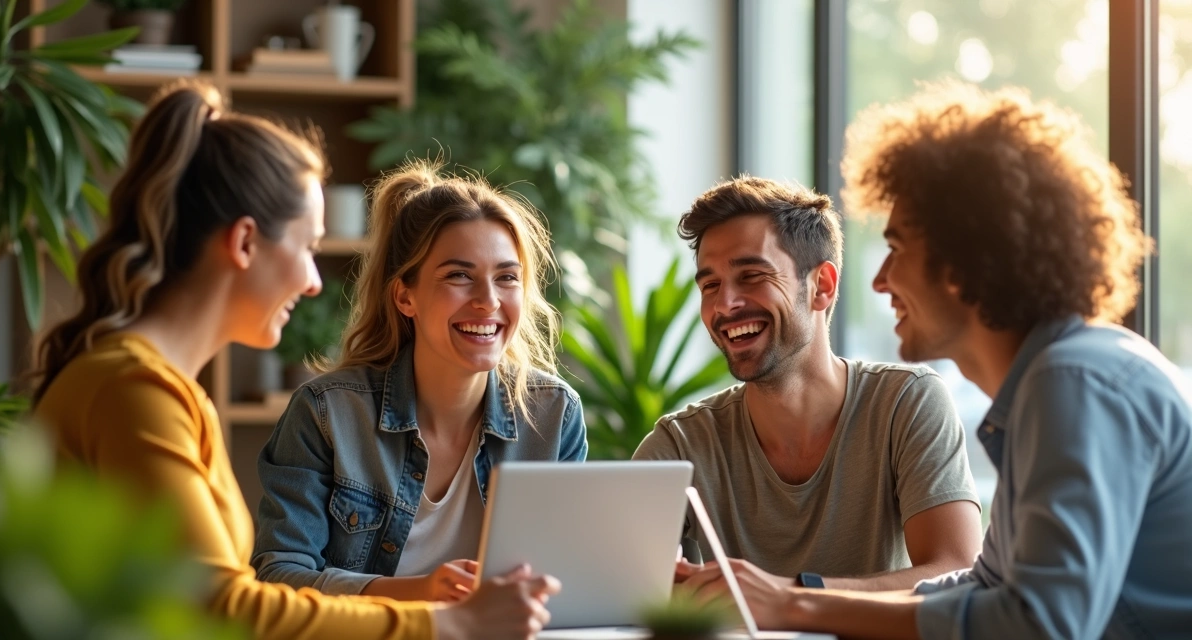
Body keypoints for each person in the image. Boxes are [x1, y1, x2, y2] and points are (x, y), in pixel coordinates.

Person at [32, 81, 560, 640]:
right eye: (307, 247)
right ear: (244, 243)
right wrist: (446, 622)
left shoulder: (161, 389)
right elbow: (225, 607)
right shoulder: (135, 390)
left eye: (507, 277)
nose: (313, 282)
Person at [682, 82, 1192, 639]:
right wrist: (785, 597)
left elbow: (1038, 625)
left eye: (897, 249)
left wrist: (794, 604)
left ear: (965, 258)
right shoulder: (1053, 383)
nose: (880, 280)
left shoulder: (1073, 382)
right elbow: (984, 586)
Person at [250, 160, 588, 603]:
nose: (488, 301)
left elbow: (569, 578)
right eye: (459, 276)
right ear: (405, 296)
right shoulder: (327, 414)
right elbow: (278, 578)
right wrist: (420, 594)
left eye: (506, 277)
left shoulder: (554, 414)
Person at [634, 176, 982, 591]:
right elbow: (616, 590)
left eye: (751, 276)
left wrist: (788, 596)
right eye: (710, 285)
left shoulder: (905, 403)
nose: (724, 304)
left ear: (822, 286)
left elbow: (954, 572)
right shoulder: (680, 445)